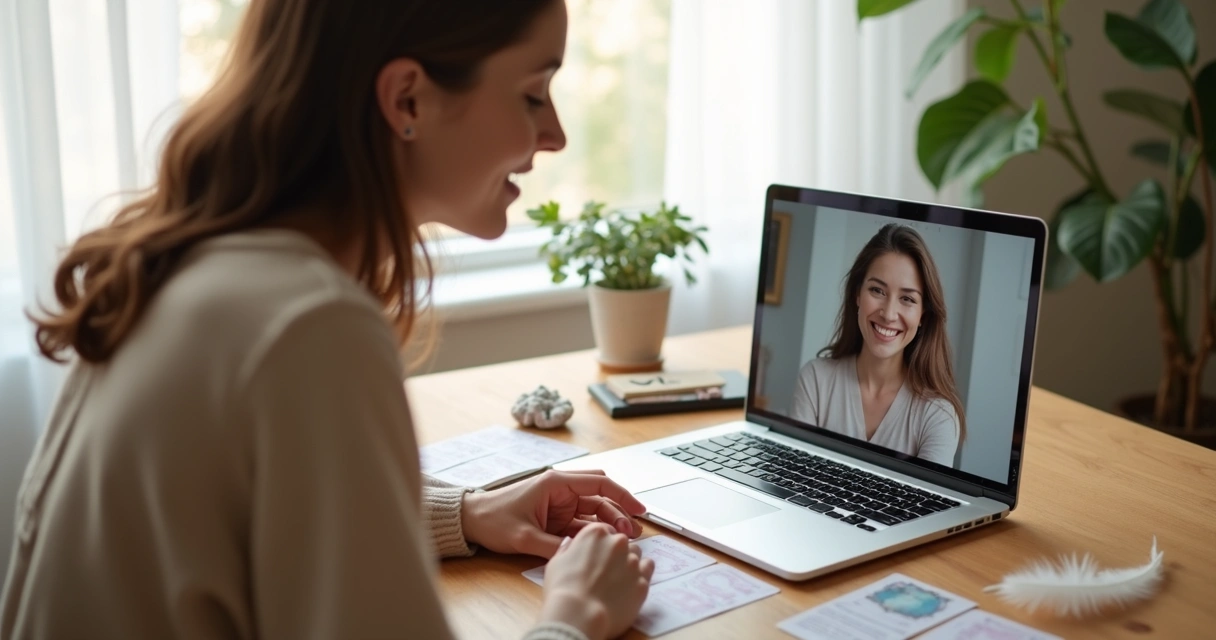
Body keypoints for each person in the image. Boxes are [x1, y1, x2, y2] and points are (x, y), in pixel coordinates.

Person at [0, 1, 655, 639]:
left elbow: (246, 518)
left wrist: (465, 512)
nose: (557, 135)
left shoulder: (192, 267)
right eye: (533, 94)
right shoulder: (309, 326)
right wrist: (576, 616)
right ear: (407, 100)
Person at [789, 224, 965, 466]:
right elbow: (795, 474)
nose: (889, 314)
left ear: (922, 315)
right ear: (857, 294)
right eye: (877, 290)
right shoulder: (815, 380)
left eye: (907, 298)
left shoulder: (938, 415)